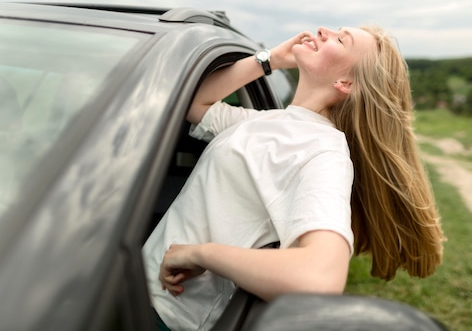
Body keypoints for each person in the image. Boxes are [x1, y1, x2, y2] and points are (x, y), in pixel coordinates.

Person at [142, 25, 445, 331]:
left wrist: (202, 253)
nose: (324, 30)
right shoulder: (272, 120)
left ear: (344, 82)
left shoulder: (324, 153)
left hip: (166, 315)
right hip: (137, 287)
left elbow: (320, 279)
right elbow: (194, 103)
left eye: (341, 39)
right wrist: (270, 59)